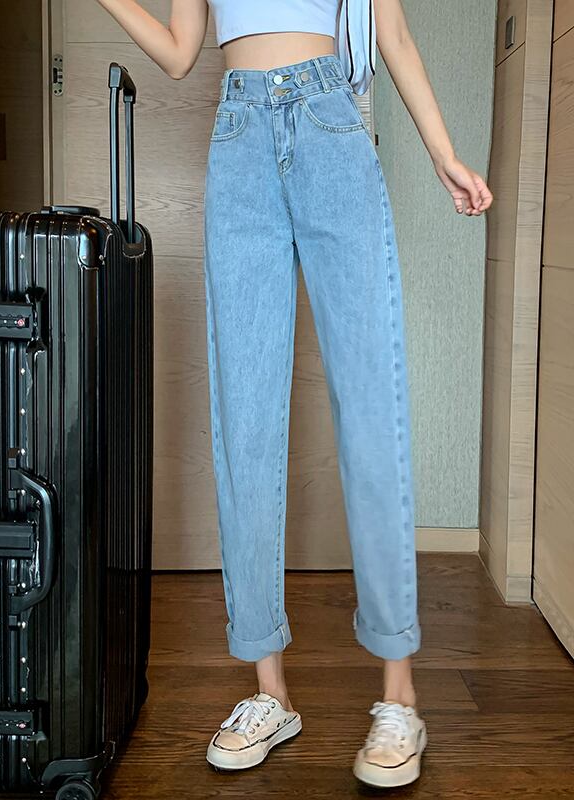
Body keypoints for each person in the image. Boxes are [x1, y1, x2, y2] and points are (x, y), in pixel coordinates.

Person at [96, 0, 493, 788]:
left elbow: (391, 32)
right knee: (244, 422)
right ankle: (269, 693)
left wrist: (444, 152)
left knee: (371, 412)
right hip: (239, 139)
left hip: (329, 127)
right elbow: (179, 52)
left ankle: (400, 699)